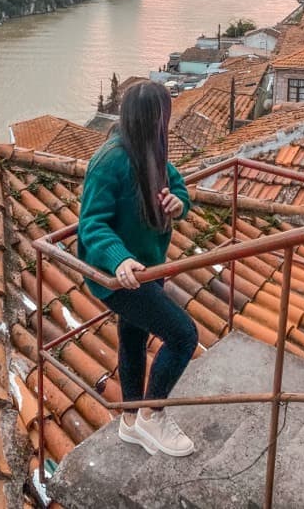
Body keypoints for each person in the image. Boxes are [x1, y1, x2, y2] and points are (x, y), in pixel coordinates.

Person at [78, 81, 197, 457]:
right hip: (122, 276)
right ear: (150, 118)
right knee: (183, 335)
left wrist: (178, 202)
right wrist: (119, 258)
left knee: (132, 338)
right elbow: (91, 223)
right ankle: (152, 413)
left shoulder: (153, 152)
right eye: (163, 114)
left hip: (148, 268)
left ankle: (131, 419)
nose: (167, 122)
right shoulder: (111, 160)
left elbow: (178, 186)